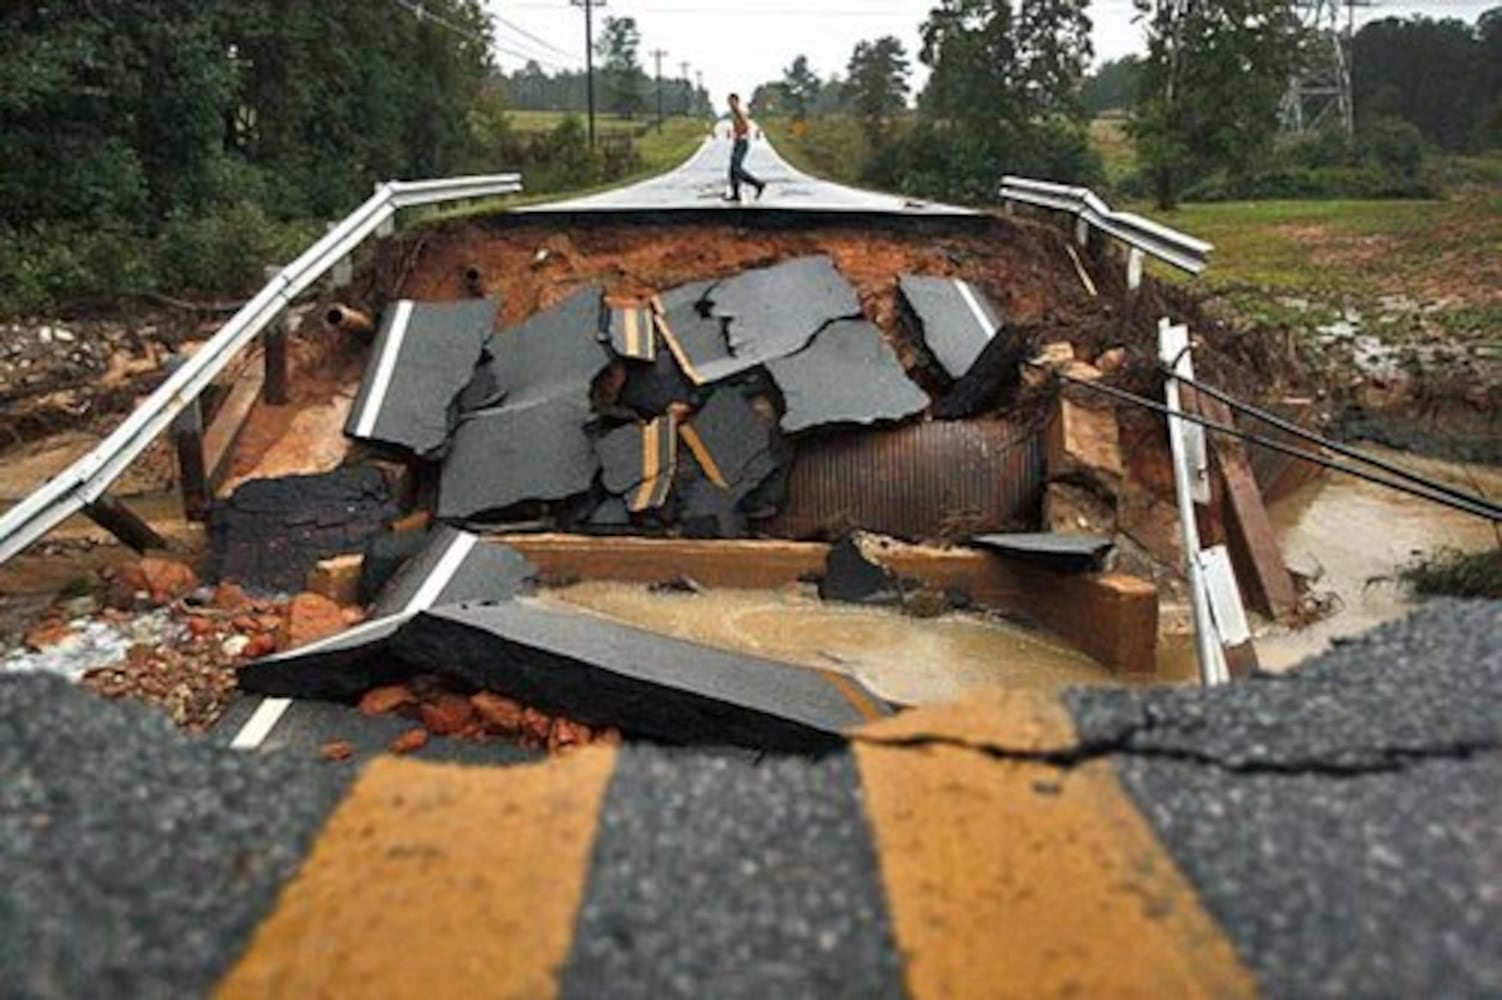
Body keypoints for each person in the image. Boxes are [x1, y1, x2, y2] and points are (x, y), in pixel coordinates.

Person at [724, 93, 765, 203]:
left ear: (737, 101)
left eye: (732, 101)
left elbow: (746, 126)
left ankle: (758, 184)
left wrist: (739, 134)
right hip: (738, 142)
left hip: (742, 142)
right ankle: (736, 194)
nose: (730, 104)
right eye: (729, 101)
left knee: (736, 169)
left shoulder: (738, 112)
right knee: (732, 170)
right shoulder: (734, 113)